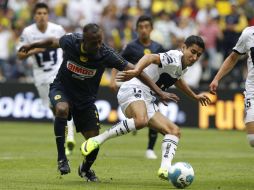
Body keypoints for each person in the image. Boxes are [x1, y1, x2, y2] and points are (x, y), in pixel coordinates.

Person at [18, 23, 178, 181]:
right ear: (84, 41)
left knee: (93, 143)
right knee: (61, 109)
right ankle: (62, 159)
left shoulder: (106, 53)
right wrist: (31, 45)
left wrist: (159, 92)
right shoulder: (71, 41)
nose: (99, 45)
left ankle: (85, 170)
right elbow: (52, 41)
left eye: (101, 41)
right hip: (62, 89)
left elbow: (137, 71)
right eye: (95, 42)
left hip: (85, 101)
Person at [81, 35, 211, 180]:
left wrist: (195, 96)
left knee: (174, 131)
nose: (194, 57)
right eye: (192, 52)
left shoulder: (183, 66)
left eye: (198, 55)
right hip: (133, 88)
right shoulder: (174, 57)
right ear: (184, 48)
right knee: (141, 121)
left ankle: (165, 169)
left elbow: (178, 80)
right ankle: (97, 140)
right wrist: (137, 70)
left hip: (147, 98)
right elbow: (149, 58)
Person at [16, 2, 76, 156]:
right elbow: (20, 55)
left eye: (44, 13)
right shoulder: (28, 32)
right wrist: (34, 50)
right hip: (40, 76)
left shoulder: (57, 29)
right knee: (53, 108)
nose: (42, 16)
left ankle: (69, 136)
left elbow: (67, 46)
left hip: (57, 73)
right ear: (34, 16)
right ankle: (64, 134)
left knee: (62, 105)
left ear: (48, 15)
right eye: (38, 13)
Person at [110, 15, 164, 159]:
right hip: (134, 87)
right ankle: (136, 120)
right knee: (143, 116)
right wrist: (112, 79)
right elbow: (117, 60)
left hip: (151, 87)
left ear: (151, 29)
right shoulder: (131, 46)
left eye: (147, 27)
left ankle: (150, 149)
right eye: (141, 27)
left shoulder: (158, 47)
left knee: (153, 116)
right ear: (136, 29)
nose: (144, 30)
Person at [209, 26, 254, 149]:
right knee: (252, 139)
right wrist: (217, 78)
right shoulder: (248, 34)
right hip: (252, 91)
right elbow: (233, 57)